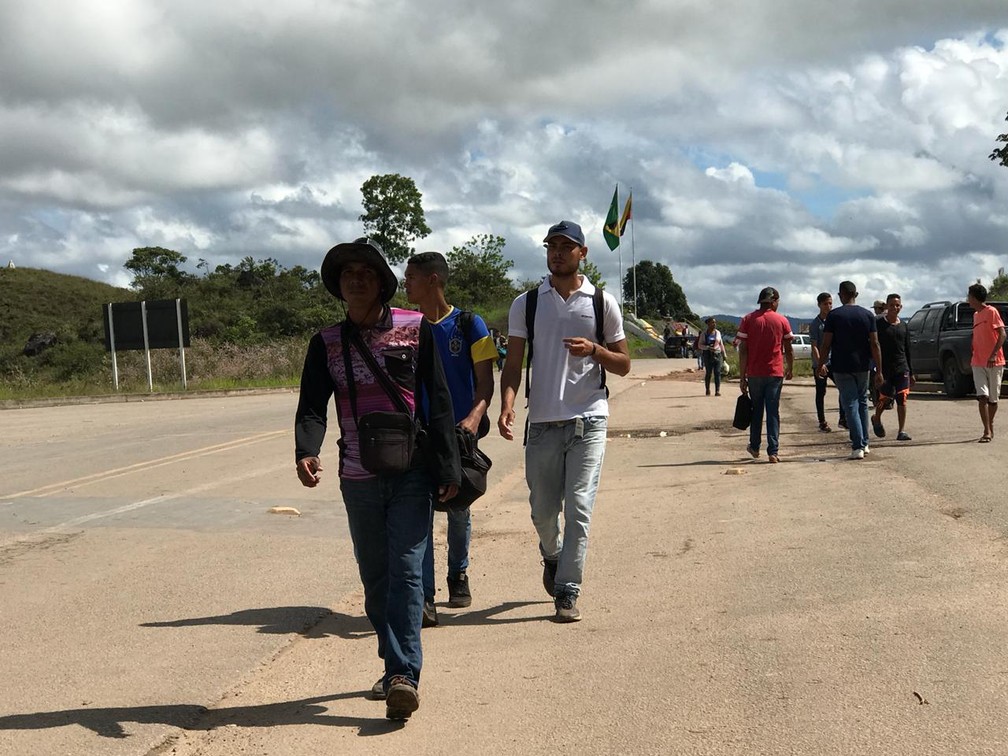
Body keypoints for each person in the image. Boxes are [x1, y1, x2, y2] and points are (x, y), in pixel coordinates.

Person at [294, 237, 460, 721]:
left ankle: (405, 673)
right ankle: (393, 668)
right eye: (348, 274)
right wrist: (306, 449)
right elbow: (311, 405)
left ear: (382, 280)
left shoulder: (415, 328)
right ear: (339, 286)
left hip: (410, 473)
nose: (357, 279)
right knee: (376, 579)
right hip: (357, 476)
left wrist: (447, 466)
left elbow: (439, 399)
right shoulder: (324, 342)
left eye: (366, 272)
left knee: (407, 572)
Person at [498, 220, 630, 623]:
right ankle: (552, 555)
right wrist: (506, 403)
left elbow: (624, 364)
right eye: (551, 246)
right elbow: (515, 362)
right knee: (541, 510)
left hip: (588, 419)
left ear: (582, 253)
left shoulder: (600, 303)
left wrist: (594, 350)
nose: (557, 252)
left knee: (579, 507)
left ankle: (568, 590)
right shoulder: (527, 303)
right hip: (541, 422)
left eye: (566, 246)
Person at [404, 251, 497, 626]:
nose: (404, 283)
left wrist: (474, 419)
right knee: (420, 512)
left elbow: (486, 381)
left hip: (458, 434)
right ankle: (424, 597)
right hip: (419, 434)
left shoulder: (470, 324)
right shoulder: (406, 325)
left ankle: (458, 572)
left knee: (458, 507)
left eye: (411, 277)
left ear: (433, 281)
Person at [817, 281, 883, 460]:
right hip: (863, 365)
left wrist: (821, 363)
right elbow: (875, 344)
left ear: (841, 295)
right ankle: (865, 442)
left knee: (850, 404)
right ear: (856, 294)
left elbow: (826, 343)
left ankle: (858, 445)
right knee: (862, 402)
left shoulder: (834, 316)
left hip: (841, 366)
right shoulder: (867, 315)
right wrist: (879, 370)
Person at [737, 286, 794, 463]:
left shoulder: (748, 319)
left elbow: (743, 350)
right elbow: (788, 348)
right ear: (774, 301)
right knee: (773, 411)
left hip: (754, 373)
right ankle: (773, 451)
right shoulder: (782, 321)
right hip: (775, 373)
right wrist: (790, 367)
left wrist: (742, 376)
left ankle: (754, 447)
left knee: (756, 411)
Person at [870, 293, 914, 442]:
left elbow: (907, 349)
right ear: (886, 307)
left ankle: (901, 431)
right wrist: (878, 371)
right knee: (885, 399)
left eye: (897, 305)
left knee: (902, 398)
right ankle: (876, 418)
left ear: (901, 307)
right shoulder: (879, 325)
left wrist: (912, 372)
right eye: (892, 305)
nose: (895, 308)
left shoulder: (904, 326)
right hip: (885, 369)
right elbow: (874, 347)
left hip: (902, 367)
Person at [967, 283, 1006, 442]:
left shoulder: (991, 312)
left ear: (975, 298)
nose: (968, 299)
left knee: (993, 398)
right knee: (982, 396)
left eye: (969, 296)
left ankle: (990, 424)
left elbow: (1002, 334)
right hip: (977, 361)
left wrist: (993, 354)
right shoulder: (975, 315)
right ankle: (987, 430)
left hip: (994, 362)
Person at [809, 292, 845, 432]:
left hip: (834, 361)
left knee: (843, 387)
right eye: (825, 304)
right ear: (819, 305)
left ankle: (843, 418)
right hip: (820, 363)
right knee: (821, 392)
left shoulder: (834, 320)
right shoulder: (815, 324)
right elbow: (814, 346)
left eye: (830, 303)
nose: (828, 306)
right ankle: (822, 421)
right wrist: (820, 363)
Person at [699, 316, 727, 396]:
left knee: (717, 372)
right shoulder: (704, 334)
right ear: (708, 324)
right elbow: (700, 345)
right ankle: (707, 389)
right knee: (709, 373)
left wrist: (724, 354)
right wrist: (707, 348)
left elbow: (721, 344)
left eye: (715, 322)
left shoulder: (718, 333)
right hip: (707, 355)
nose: (714, 324)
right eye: (712, 322)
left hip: (717, 354)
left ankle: (717, 391)